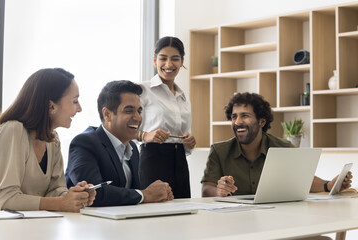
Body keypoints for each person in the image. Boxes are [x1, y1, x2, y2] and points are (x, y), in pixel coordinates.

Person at [201, 92, 353, 197]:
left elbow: (301, 179)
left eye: (245, 116)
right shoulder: (219, 151)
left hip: (276, 220)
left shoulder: (283, 148)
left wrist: (330, 185)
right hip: (234, 224)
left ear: (262, 121)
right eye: (234, 117)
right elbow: (206, 188)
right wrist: (218, 191)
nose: (238, 122)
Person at [0, 68, 96, 212]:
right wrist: (61, 203)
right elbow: (4, 198)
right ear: (51, 106)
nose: (79, 109)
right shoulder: (13, 130)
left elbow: (55, 190)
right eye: (75, 101)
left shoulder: (53, 139)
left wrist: (74, 196)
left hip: (38, 227)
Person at [65, 80, 174, 207]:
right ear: (107, 114)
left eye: (139, 111)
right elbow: (93, 193)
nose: (138, 118)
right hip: (90, 224)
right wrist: (146, 195)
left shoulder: (132, 148)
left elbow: (133, 194)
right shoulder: (84, 143)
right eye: (129, 111)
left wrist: (159, 195)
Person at [137, 36, 196, 198]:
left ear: (182, 61)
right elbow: (122, 128)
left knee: (183, 210)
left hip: (180, 160)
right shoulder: (142, 90)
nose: (169, 65)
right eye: (163, 58)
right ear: (155, 60)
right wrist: (146, 135)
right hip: (153, 158)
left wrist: (190, 142)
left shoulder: (183, 96)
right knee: (155, 212)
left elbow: (186, 135)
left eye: (175, 59)